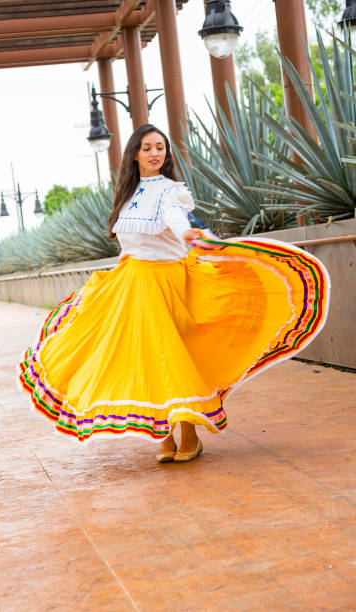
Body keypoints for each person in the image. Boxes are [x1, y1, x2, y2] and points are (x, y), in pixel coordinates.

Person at [18, 124, 330, 463]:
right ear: (134, 153)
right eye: (148, 147)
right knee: (146, 359)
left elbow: (176, 218)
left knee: (174, 358)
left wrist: (187, 234)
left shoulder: (170, 192)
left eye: (161, 148)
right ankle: (163, 437)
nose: (155, 154)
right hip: (134, 283)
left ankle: (190, 436)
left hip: (171, 283)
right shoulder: (127, 193)